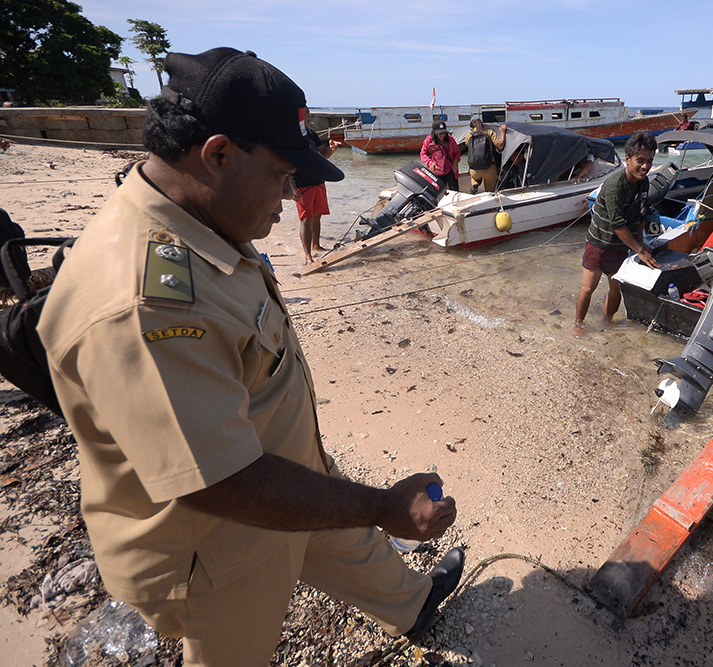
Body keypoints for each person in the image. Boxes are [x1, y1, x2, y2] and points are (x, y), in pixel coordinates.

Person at [36, 47, 464, 666]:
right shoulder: (143, 301)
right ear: (217, 155)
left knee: (343, 534)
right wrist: (383, 506)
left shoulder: (202, 223)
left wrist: (339, 492)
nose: (292, 195)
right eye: (282, 175)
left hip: (282, 473)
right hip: (219, 544)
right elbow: (222, 483)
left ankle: (414, 604)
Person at [574, 132, 660, 337]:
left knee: (616, 288)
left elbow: (640, 216)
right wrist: (639, 250)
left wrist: (640, 243)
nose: (645, 167)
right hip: (599, 243)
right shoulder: (615, 186)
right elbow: (618, 225)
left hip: (621, 246)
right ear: (628, 159)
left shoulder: (644, 183)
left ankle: (607, 321)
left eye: (649, 161)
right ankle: (577, 325)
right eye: (640, 161)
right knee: (588, 288)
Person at [293, 106, 341, 264]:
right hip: (302, 183)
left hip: (319, 181)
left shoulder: (312, 133)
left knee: (317, 216)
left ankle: (316, 245)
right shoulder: (293, 135)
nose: (309, 115)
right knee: (305, 219)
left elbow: (324, 153)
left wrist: (332, 149)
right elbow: (286, 163)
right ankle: (307, 255)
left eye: (309, 112)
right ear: (298, 115)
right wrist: (292, 187)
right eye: (305, 112)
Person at [462, 118, 506, 193]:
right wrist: (503, 133)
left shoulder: (468, 136)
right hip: (489, 168)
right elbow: (500, 146)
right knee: (490, 192)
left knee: (474, 178)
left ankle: (475, 184)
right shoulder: (489, 132)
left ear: (471, 128)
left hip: (474, 169)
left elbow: (467, 145)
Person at [420, 120, 461, 191]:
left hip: (450, 170)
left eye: (444, 133)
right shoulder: (429, 141)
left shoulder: (450, 139)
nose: (442, 135)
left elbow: (457, 153)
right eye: (440, 133)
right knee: (439, 192)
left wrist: (456, 161)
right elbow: (423, 154)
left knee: (455, 190)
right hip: (436, 171)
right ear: (435, 133)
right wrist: (430, 163)